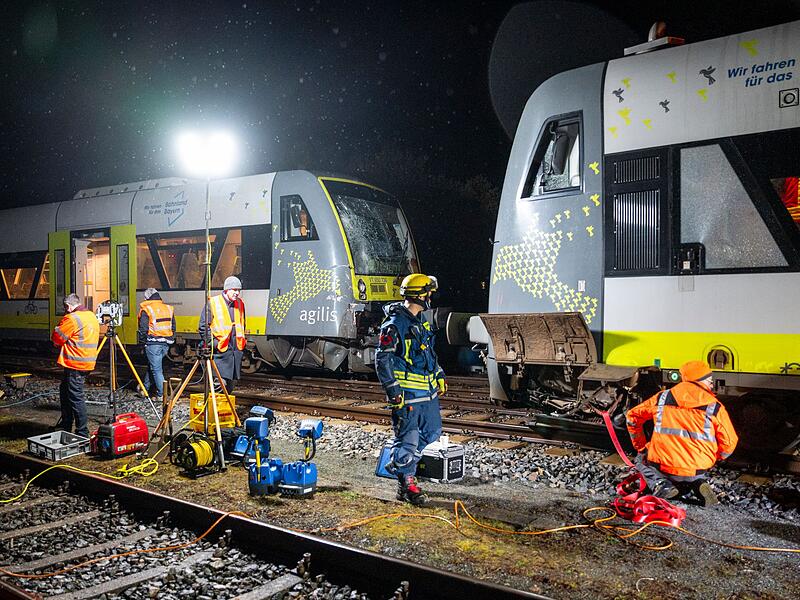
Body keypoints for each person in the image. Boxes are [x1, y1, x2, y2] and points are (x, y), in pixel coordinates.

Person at [375, 273, 446, 506]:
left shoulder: (420, 322)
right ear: (419, 295)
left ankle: (399, 464)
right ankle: (407, 483)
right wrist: (393, 391)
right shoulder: (394, 325)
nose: (430, 296)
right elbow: (382, 360)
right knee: (409, 439)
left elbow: (428, 354)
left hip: (428, 393)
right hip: (408, 395)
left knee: (433, 432)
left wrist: (439, 375)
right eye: (428, 292)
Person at [626, 360, 739, 506]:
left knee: (641, 458)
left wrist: (640, 445)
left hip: (663, 466)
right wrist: (716, 457)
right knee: (691, 469)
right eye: (709, 380)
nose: (711, 384)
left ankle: (662, 484)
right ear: (699, 381)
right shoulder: (715, 406)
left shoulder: (662, 397)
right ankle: (698, 483)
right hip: (697, 468)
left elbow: (632, 417)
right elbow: (730, 442)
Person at [51, 293, 99, 438]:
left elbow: (57, 338)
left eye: (66, 307)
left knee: (75, 397)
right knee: (65, 392)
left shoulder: (71, 318)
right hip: (86, 362)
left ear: (68, 306)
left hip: (75, 363)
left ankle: (82, 433)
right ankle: (66, 425)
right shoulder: (91, 315)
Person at [198, 276, 246, 393]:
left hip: (235, 352)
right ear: (226, 290)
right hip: (220, 353)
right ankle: (216, 410)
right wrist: (214, 343)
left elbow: (242, 325)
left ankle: (224, 410)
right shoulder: (213, 303)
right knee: (220, 384)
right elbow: (203, 327)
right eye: (234, 290)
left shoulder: (240, 304)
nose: (237, 293)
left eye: (238, 290)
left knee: (230, 385)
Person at [137, 287, 176, 403]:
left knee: (156, 369)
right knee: (153, 366)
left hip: (153, 343)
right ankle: (144, 389)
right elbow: (173, 326)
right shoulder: (168, 308)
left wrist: (143, 343)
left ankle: (161, 395)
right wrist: (171, 338)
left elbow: (143, 329)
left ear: (147, 298)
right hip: (166, 344)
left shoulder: (147, 309)